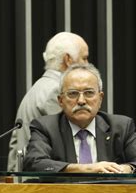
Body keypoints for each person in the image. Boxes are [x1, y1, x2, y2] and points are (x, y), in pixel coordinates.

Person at [23, 63, 136, 173]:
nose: (81, 101)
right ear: (61, 101)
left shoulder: (121, 126)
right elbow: (34, 163)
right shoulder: (46, 127)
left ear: (100, 98)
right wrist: (86, 168)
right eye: (73, 94)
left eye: (89, 93)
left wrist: (126, 168)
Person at [7, 32, 89, 171]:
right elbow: (67, 145)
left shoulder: (40, 86)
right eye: (84, 58)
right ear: (68, 59)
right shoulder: (56, 91)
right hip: (42, 181)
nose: (88, 64)